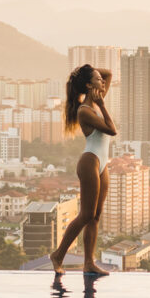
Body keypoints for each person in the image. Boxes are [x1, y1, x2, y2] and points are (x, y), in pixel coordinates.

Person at [50, 63, 116, 276]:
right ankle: (58, 254)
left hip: (102, 163)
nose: (103, 82)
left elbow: (109, 74)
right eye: (97, 80)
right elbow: (112, 130)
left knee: (96, 216)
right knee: (86, 214)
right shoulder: (85, 110)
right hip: (90, 161)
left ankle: (89, 262)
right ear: (88, 86)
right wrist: (103, 105)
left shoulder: (95, 97)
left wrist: (88, 72)